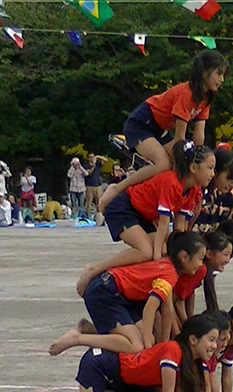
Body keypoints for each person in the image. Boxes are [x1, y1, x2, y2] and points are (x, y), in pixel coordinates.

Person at [11, 313, 229, 392]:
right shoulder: (174, 351)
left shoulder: (190, 361)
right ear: (192, 339)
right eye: (210, 340)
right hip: (103, 364)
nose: (214, 346)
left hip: (121, 376)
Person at [76, 142, 218, 297]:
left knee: (164, 251)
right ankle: (95, 269)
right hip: (124, 208)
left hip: (144, 215)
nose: (213, 174)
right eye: (210, 168)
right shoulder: (172, 183)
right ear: (193, 168)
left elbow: (180, 225)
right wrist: (157, 255)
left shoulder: (194, 190)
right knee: (146, 252)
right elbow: (164, 222)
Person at [99, 51, 228, 212]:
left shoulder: (205, 98)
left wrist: (200, 160)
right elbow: (180, 139)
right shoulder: (185, 94)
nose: (222, 80)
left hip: (161, 128)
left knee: (182, 165)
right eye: (219, 73)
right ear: (204, 73)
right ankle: (117, 188)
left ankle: (164, 203)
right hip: (142, 123)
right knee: (164, 164)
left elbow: (199, 135)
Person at [50, 231, 207, 356]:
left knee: (149, 338)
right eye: (200, 259)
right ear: (184, 257)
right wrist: (148, 348)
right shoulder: (170, 275)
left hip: (115, 292)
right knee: (137, 346)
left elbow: (167, 310)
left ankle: (88, 328)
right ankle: (77, 338)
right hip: (105, 291)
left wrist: (164, 345)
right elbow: (150, 309)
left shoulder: (167, 266)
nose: (201, 265)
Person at [163, 231, 233, 340]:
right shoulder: (199, 270)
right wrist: (185, 327)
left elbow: (185, 296)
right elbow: (174, 300)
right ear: (209, 254)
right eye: (226, 254)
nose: (228, 260)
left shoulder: (196, 268)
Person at [85, 153, 108, 218]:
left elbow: (106, 160)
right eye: (91, 157)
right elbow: (89, 173)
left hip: (97, 185)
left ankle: (100, 215)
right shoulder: (86, 166)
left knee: (99, 202)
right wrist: (93, 166)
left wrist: (98, 157)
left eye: (93, 157)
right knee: (88, 202)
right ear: (88, 158)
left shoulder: (98, 164)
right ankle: (88, 216)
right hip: (89, 186)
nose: (92, 158)